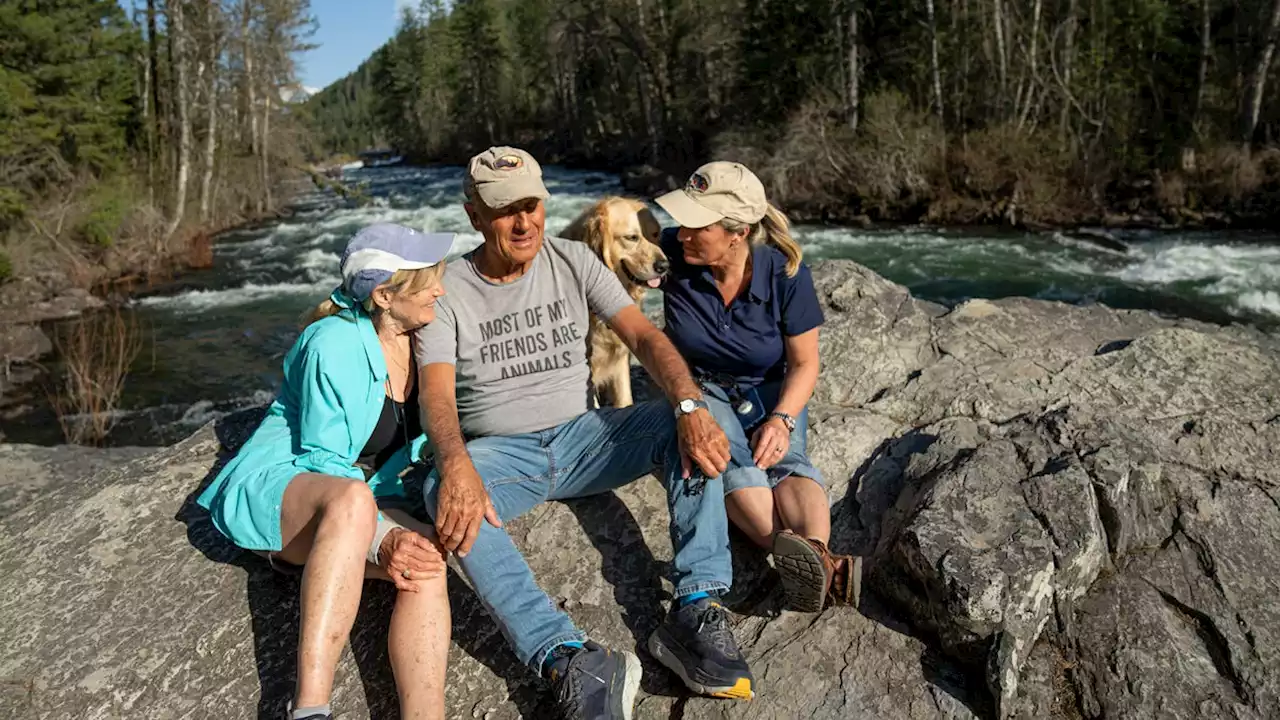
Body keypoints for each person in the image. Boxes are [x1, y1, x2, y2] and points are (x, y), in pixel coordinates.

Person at [413, 147, 753, 720]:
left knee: (696, 423)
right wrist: (456, 464)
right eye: (504, 210)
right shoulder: (450, 288)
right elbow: (437, 395)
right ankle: (569, 658)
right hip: (504, 456)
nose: (523, 223)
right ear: (473, 216)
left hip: (587, 438)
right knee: (441, 495)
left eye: (531, 206)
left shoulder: (574, 260)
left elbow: (644, 338)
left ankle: (697, 610)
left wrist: (690, 403)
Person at [197, 223, 456, 720]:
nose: (440, 291)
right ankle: (309, 708)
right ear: (383, 295)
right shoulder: (331, 344)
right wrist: (382, 538)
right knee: (353, 503)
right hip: (290, 489)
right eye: (428, 283)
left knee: (424, 562)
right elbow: (323, 462)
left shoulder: (422, 338)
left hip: (365, 501)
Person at [653, 161, 861, 614]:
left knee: (785, 457)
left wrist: (783, 420)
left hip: (770, 388)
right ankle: (815, 565)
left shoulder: (785, 274)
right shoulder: (670, 250)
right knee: (726, 461)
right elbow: (609, 241)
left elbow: (805, 364)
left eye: (696, 226)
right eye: (682, 222)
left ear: (738, 232)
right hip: (702, 386)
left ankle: (814, 555)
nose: (682, 233)